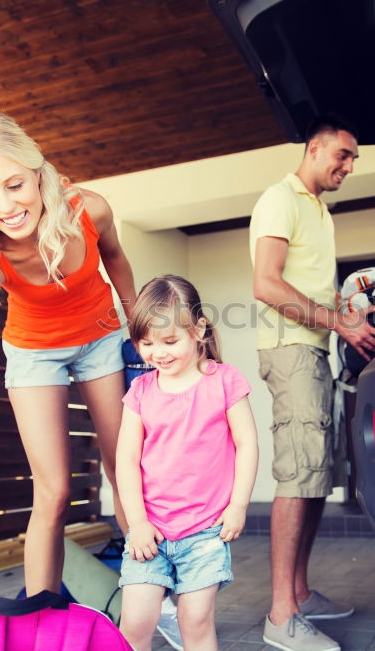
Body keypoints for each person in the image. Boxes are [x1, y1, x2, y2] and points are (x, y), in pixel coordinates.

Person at [0, 112, 137, 598]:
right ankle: (41, 616)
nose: (5, 206)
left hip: (101, 335)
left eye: (15, 184)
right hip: (34, 350)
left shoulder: (90, 210)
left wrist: (140, 326)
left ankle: (149, 592)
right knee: (55, 491)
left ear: (38, 171)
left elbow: (117, 258)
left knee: (123, 468)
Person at [250, 114, 375, 651]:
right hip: (290, 352)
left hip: (313, 350)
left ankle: (301, 594)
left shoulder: (318, 213)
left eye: (354, 159)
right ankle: (281, 616)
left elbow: (312, 290)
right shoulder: (280, 199)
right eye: (344, 155)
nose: (349, 166)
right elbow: (265, 283)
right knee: (297, 476)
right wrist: (341, 323)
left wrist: (350, 305)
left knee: (316, 475)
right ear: (314, 148)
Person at [116, 275, 259, 651]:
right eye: (145, 343)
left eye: (169, 341)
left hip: (206, 531)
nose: (157, 353)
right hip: (151, 532)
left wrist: (238, 506)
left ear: (197, 330)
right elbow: (127, 460)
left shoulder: (224, 381)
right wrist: (138, 523)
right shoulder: (141, 391)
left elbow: (247, 444)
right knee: (134, 623)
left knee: (194, 621)